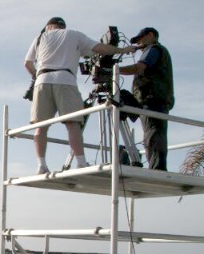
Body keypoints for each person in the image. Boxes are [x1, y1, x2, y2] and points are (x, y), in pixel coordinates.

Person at [24, 17, 137, 174]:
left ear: (49, 27)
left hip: (42, 80)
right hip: (66, 79)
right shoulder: (74, 34)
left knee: (40, 126)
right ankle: (81, 162)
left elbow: (27, 63)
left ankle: (41, 166)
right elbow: (99, 48)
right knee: (73, 124)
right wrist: (123, 50)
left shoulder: (40, 37)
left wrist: (37, 76)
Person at [120, 27, 174, 171]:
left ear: (151, 35)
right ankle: (156, 167)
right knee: (152, 134)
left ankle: (157, 169)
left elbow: (140, 67)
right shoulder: (156, 50)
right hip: (152, 100)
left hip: (153, 100)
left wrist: (116, 70)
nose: (140, 43)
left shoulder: (154, 49)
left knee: (153, 134)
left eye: (141, 39)